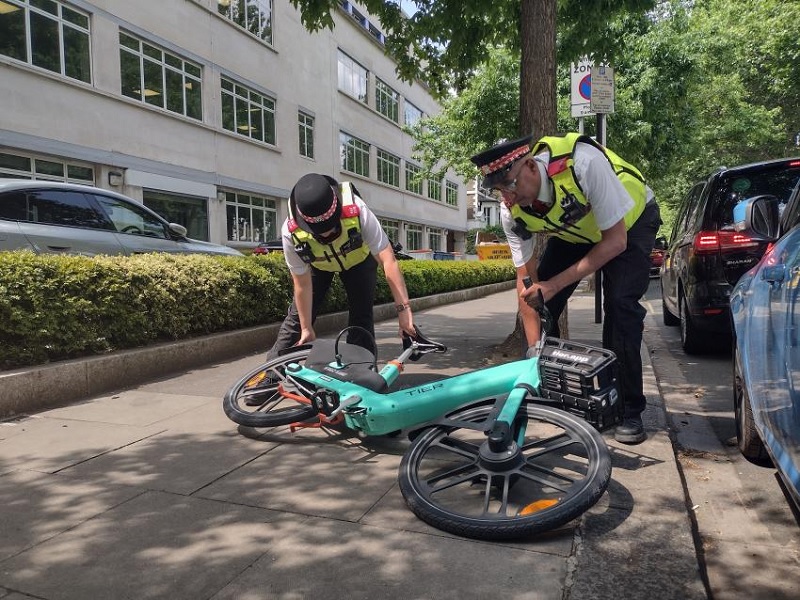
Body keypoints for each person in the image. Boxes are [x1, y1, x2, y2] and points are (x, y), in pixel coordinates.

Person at [470, 133, 661, 444]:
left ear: (531, 166)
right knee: (541, 304)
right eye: (499, 190)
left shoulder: (583, 163)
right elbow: (527, 283)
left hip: (630, 223)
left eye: (511, 185)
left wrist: (556, 284)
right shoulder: (511, 210)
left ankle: (628, 409)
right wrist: (533, 351)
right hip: (577, 234)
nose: (507, 198)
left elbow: (615, 242)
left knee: (620, 305)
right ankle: (550, 390)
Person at [266, 173, 416, 360]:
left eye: (332, 226)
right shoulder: (290, 231)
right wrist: (306, 328)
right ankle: (269, 378)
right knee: (296, 322)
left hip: (359, 262)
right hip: (319, 267)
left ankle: (363, 373)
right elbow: (302, 285)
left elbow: (388, 260)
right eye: (319, 232)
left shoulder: (357, 209)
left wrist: (404, 311)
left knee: (361, 319)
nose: (327, 233)